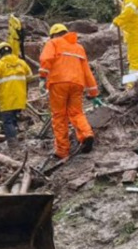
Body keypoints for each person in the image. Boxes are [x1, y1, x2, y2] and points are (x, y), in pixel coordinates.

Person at [39, 24, 100, 159]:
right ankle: (86, 134)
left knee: (59, 116)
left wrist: (42, 76)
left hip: (58, 83)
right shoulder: (79, 48)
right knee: (76, 112)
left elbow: (46, 59)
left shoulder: (53, 42)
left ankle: (62, 151)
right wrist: (93, 93)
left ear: (53, 34)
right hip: (77, 84)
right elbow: (87, 71)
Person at [0, 42, 32, 149]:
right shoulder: (21, 63)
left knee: (7, 121)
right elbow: (30, 77)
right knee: (13, 119)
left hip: (7, 99)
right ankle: (17, 137)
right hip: (20, 98)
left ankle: (13, 144)